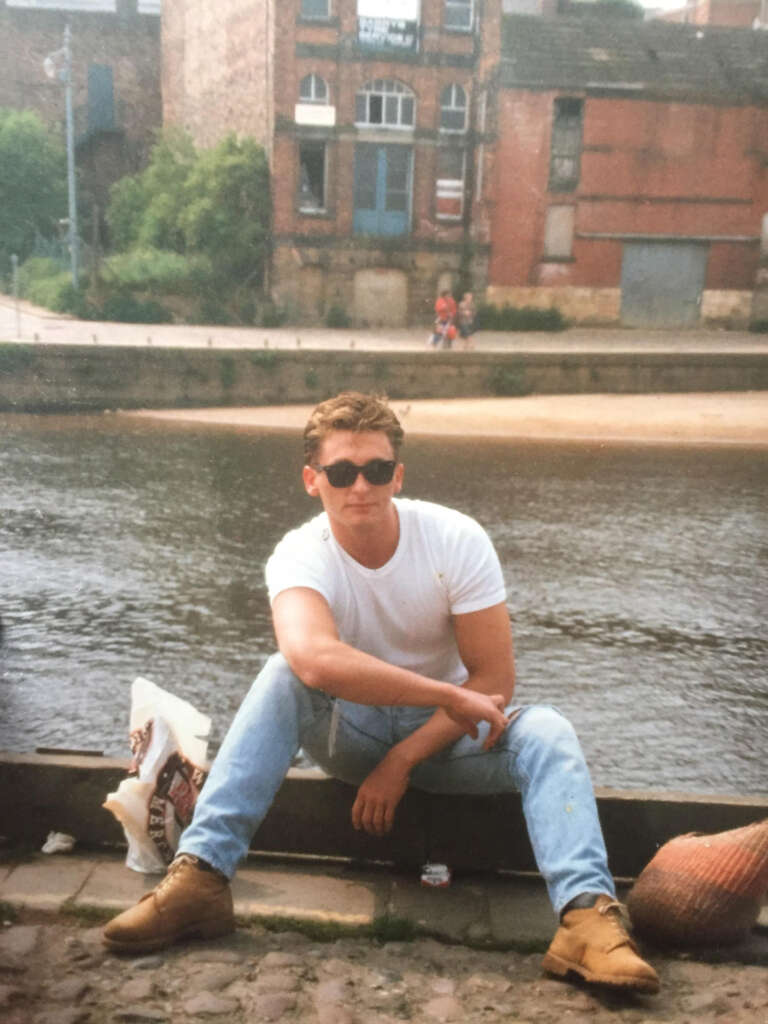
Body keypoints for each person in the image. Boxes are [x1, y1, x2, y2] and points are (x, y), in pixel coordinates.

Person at [102, 391, 659, 995]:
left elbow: (494, 682)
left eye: (375, 470)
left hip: (447, 744)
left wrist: (405, 757)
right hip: (353, 734)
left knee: (547, 729)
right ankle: (201, 880)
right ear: (313, 480)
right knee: (282, 672)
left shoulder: (455, 539)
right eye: (342, 472)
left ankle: (586, 922)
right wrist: (440, 697)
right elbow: (314, 661)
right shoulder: (298, 554)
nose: (359, 486)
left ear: (398, 475)